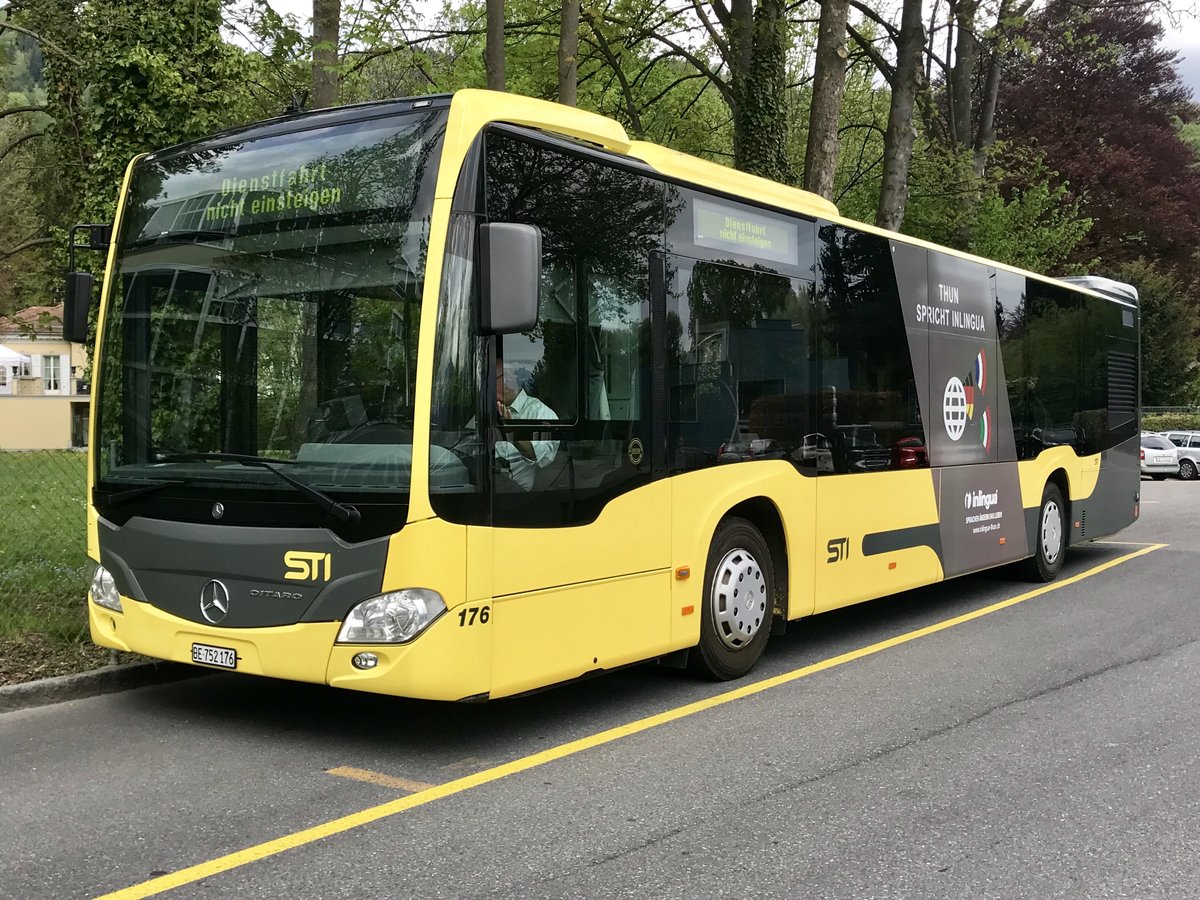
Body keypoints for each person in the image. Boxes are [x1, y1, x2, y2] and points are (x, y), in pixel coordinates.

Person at [494, 360, 559, 491]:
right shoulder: (490, 410)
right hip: (486, 483)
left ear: (509, 379)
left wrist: (513, 432)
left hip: (519, 494)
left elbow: (539, 456)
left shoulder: (541, 413)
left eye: (491, 381)